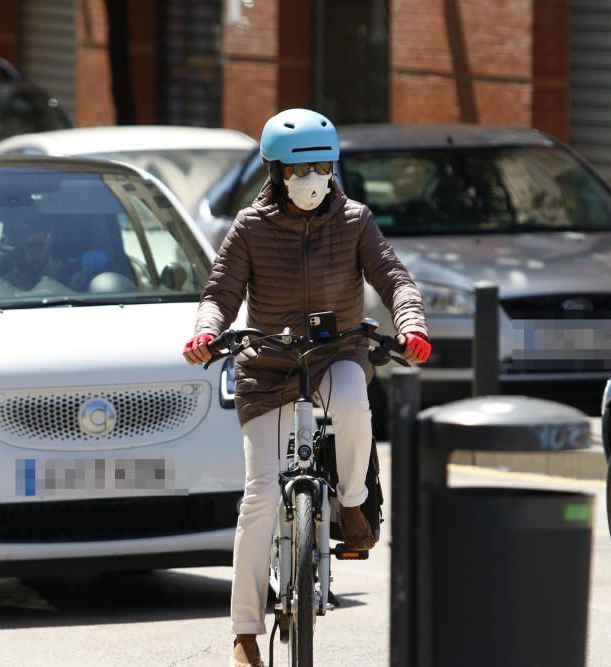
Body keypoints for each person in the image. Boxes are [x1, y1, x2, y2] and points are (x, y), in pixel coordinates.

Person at [181, 108, 432, 667]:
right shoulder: (249, 226)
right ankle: (245, 634)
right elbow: (220, 292)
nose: (311, 178)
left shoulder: (356, 221)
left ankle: (353, 504)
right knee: (260, 497)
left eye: (320, 165)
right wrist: (205, 333)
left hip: (335, 353)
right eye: (298, 170)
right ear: (275, 174)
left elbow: (393, 277)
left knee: (353, 400)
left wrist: (410, 323)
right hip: (266, 367)